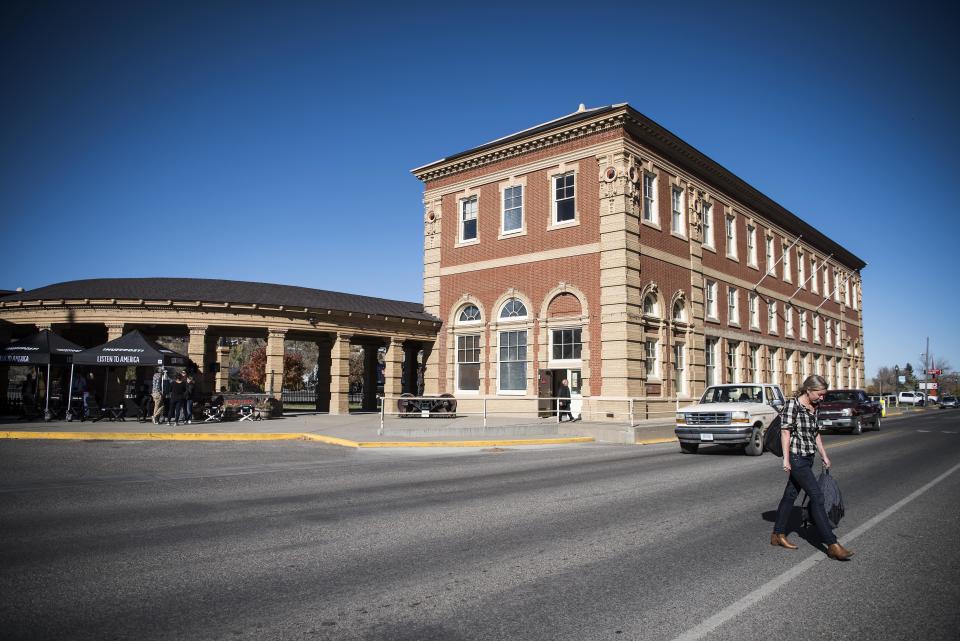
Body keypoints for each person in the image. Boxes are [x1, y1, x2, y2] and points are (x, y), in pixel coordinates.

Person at [771, 375, 853, 561]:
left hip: (808, 458)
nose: (822, 398)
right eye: (819, 394)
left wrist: (824, 455)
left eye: (824, 394)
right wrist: (786, 459)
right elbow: (785, 432)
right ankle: (832, 544)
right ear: (808, 390)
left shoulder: (814, 407)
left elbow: (815, 434)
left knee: (790, 495)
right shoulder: (793, 405)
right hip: (796, 458)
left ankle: (777, 534)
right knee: (817, 496)